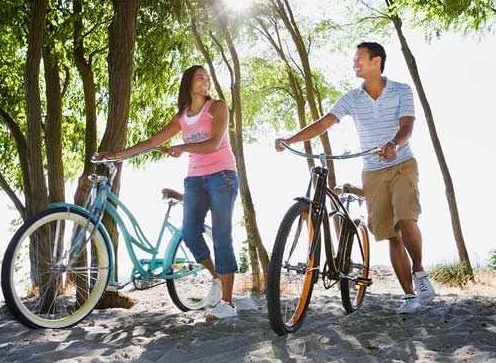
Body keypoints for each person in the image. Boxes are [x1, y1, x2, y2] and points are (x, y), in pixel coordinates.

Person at [275, 42, 435, 314]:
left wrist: (394, 144)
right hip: (371, 171)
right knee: (389, 234)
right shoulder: (352, 97)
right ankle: (409, 295)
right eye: (354, 58)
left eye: (360, 58)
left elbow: (407, 126)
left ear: (377, 60)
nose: (354, 63)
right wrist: (290, 139)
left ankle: (418, 270)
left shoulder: (401, 90)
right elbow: (324, 123)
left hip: (401, 163)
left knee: (406, 218)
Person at [98, 65, 240, 319]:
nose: (205, 81)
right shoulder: (183, 116)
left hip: (223, 176)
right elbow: (153, 142)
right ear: (189, 83)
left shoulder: (217, 107)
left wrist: (182, 147)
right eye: (200, 78)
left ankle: (228, 303)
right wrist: (115, 155)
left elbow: (214, 143)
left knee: (221, 235)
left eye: (207, 78)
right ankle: (218, 277)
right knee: (190, 234)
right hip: (195, 179)